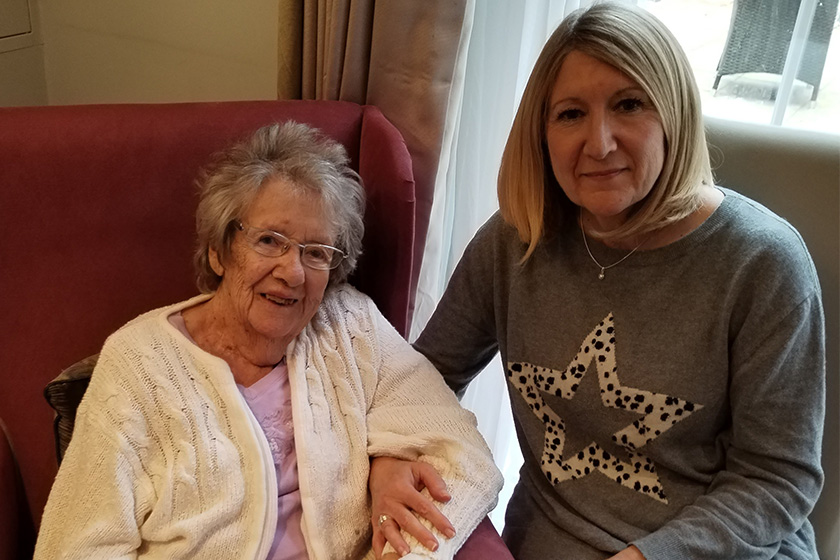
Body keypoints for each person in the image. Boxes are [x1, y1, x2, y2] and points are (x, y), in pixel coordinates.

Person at [369, 3, 826, 559]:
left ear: (673, 114)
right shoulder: (517, 239)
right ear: (540, 133)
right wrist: (390, 457)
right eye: (569, 114)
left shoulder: (764, 264)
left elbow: (777, 482)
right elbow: (427, 378)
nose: (600, 143)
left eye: (629, 105)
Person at [34, 122, 502, 560]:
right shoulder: (136, 366)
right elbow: (75, 546)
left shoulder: (349, 326)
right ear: (218, 251)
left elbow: (466, 457)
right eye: (270, 241)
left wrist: (399, 521)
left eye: (316, 252)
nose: (293, 271)